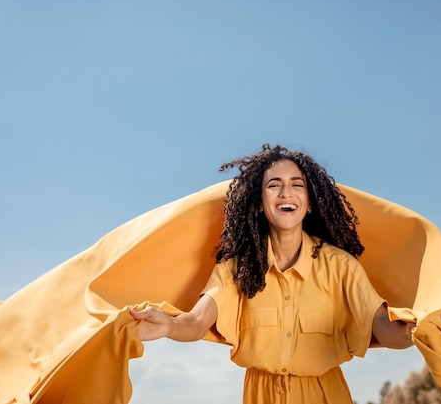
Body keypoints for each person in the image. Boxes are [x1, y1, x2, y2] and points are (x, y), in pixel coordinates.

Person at [130, 143, 415, 403]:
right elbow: (196, 321)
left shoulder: (341, 267)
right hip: (260, 395)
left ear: (311, 201)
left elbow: (384, 328)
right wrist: (168, 325)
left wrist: (415, 332)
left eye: (297, 185)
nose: (286, 193)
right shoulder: (237, 268)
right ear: (258, 202)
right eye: (274, 185)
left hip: (325, 394)